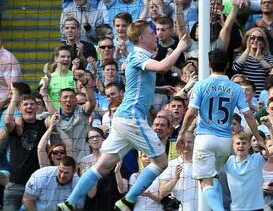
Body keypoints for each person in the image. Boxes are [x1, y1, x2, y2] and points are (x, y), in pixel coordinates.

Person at [57, 20, 188, 211]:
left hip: (123, 119)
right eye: (152, 33)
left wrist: (158, 89)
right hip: (132, 118)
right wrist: (180, 47)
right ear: (142, 38)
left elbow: (137, 87)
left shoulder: (138, 58)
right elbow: (162, 67)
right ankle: (127, 201)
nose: (156, 35)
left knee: (102, 166)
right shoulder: (138, 56)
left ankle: (68, 204)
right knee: (161, 162)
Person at [177, 49, 267, 211]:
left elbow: (191, 113)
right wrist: (258, 137)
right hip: (226, 140)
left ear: (209, 65)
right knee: (216, 175)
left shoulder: (201, 85)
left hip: (205, 138)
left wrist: (182, 134)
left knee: (205, 181)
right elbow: (248, 115)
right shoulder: (235, 88)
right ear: (227, 65)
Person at [224, 132, 272, 211]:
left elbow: (271, 148)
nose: (241, 146)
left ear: (250, 145)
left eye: (244, 143)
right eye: (238, 143)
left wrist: (269, 126)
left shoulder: (257, 159)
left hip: (256, 208)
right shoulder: (228, 161)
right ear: (233, 146)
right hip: (236, 208)